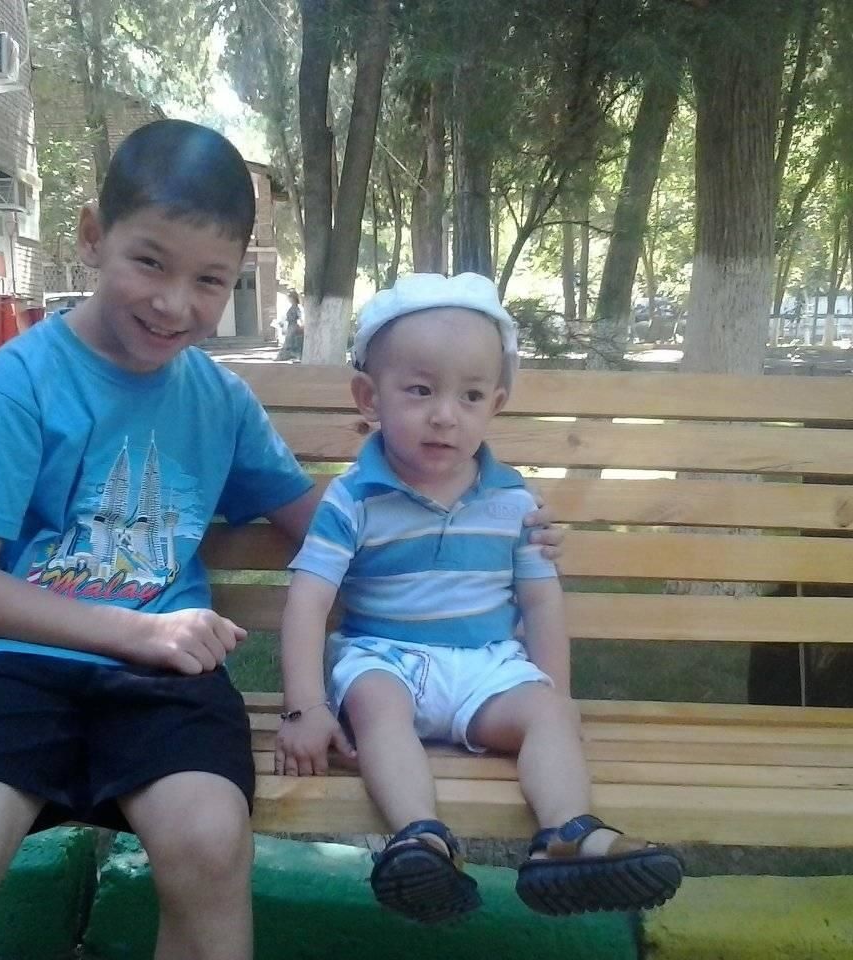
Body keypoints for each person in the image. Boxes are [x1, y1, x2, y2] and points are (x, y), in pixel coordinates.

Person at [0, 119, 321, 960]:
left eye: (210, 280)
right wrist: (138, 632)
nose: (175, 304)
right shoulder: (21, 382)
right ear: (93, 235)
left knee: (209, 844)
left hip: (165, 686)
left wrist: (464, 512)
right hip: (19, 670)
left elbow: (323, 528)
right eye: (150, 262)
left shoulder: (220, 402)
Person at [274, 273, 684, 924]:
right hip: (387, 658)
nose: (445, 414)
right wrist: (306, 707)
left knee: (546, 713)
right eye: (419, 390)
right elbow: (307, 601)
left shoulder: (513, 502)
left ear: (495, 404)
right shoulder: (352, 499)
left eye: (469, 395)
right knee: (376, 706)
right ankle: (421, 840)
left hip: (488, 668)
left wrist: (555, 695)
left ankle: (567, 835)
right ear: (369, 397)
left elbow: (541, 603)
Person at [276, 290, 303, 360]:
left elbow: (300, 317)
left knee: (290, 341)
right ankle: (286, 355)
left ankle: (285, 356)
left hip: (293, 326)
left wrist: (302, 325)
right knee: (289, 341)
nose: (289, 299)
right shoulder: (292, 307)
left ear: (293, 298)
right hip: (290, 326)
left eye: (290, 298)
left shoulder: (296, 307)